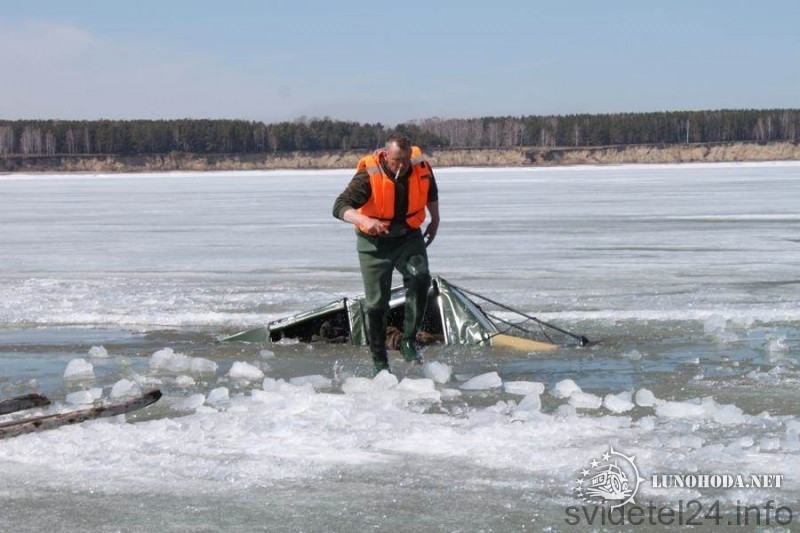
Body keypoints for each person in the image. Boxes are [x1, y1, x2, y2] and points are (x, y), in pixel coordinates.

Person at [333, 134, 440, 373]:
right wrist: (363, 219)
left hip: (408, 236)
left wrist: (435, 219)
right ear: (385, 155)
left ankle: (409, 340)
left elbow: (431, 191)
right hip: (374, 244)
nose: (401, 166)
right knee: (376, 305)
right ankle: (380, 362)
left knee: (420, 277)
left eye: (404, 160)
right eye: (395, 161)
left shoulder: (419, 166)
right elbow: (339, 206)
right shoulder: (368, 176)